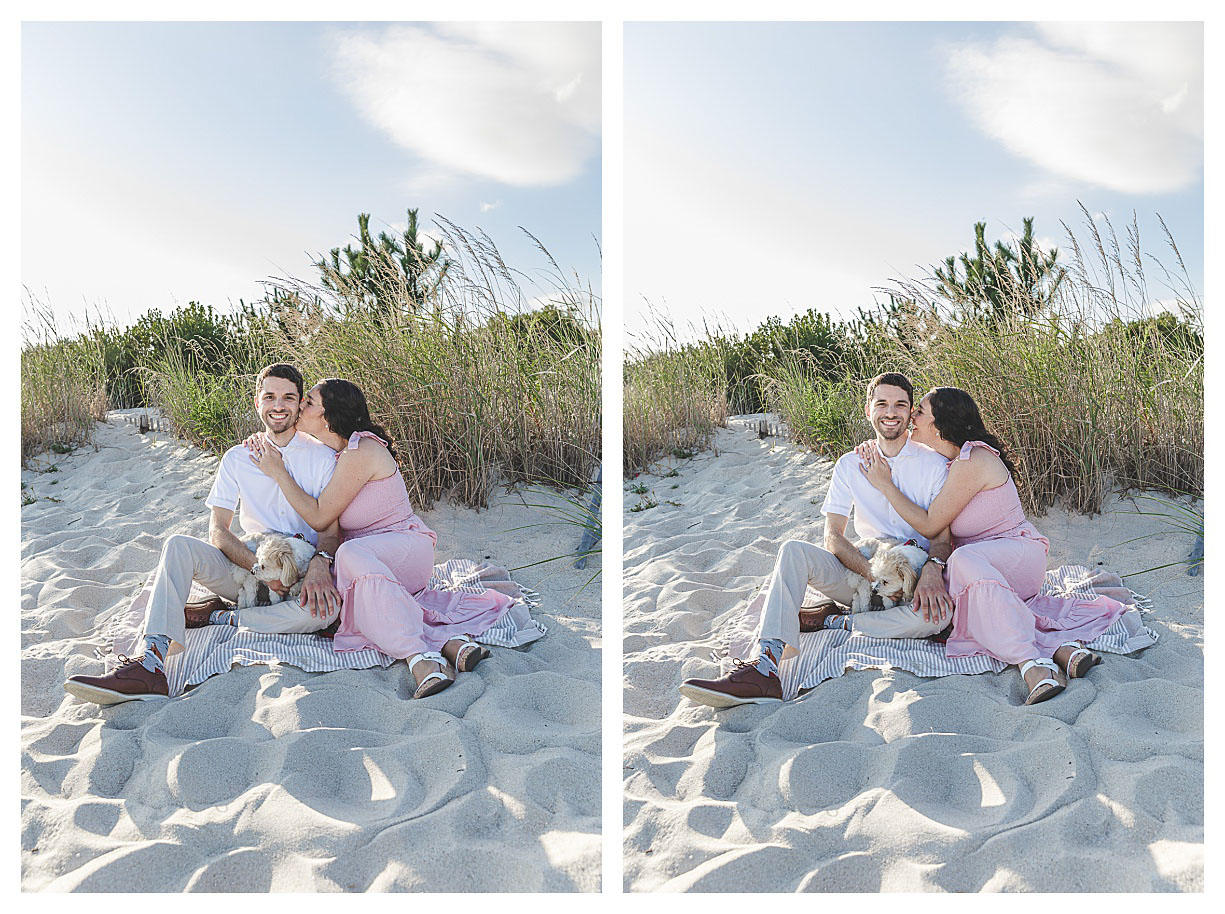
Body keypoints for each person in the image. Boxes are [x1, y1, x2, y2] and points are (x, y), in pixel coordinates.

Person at [64, 363, 343, 705]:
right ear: (257, 402)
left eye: (288, 397)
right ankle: (151, 663)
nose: (278, 405)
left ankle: (220, 617)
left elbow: (330, 529)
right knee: (178, 545)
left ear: (301, 404)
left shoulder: (322, 456)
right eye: (269, 396)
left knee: (324, 614)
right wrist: (260, 572)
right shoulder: (238, 458)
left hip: (301, 574)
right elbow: (218, 532)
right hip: (248, 568)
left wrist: (318, 567)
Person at [679, 372, 956, 709]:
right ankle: (765, 668)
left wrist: (931, 572)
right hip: (863, 572)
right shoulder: (851, 464)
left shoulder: (932, 463)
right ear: (868, 409)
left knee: (937, 619)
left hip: (912, 578)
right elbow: (833, 537)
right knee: (793, 551)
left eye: (900, 404)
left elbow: (942, 535)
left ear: (911, 412)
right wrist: (872, 575)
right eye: (881, 403)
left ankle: (833, 620)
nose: (890, 412)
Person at [245, 378, 514, 699]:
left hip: (404, 551)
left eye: (309, 403)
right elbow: (279, 432)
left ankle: (417, 656)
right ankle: (447, 643)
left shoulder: (363, 450)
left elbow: (319, 516)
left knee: (348, 557)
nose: (300, 406)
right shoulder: (330, 452)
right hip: (367, 563)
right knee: (351, 592)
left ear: (329, 417)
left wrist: (278, 472)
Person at [857, 386, 1128, 704]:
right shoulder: (947, 463)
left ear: (940, 425)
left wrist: (885, 485)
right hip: (981, 570)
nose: (912, 416)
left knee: (961, 563)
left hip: (1016, 558)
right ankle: (1059, 649)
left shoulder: (974, 460)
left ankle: (1029, 663)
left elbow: (931, 525)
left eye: (920, 412)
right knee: (965, 598)